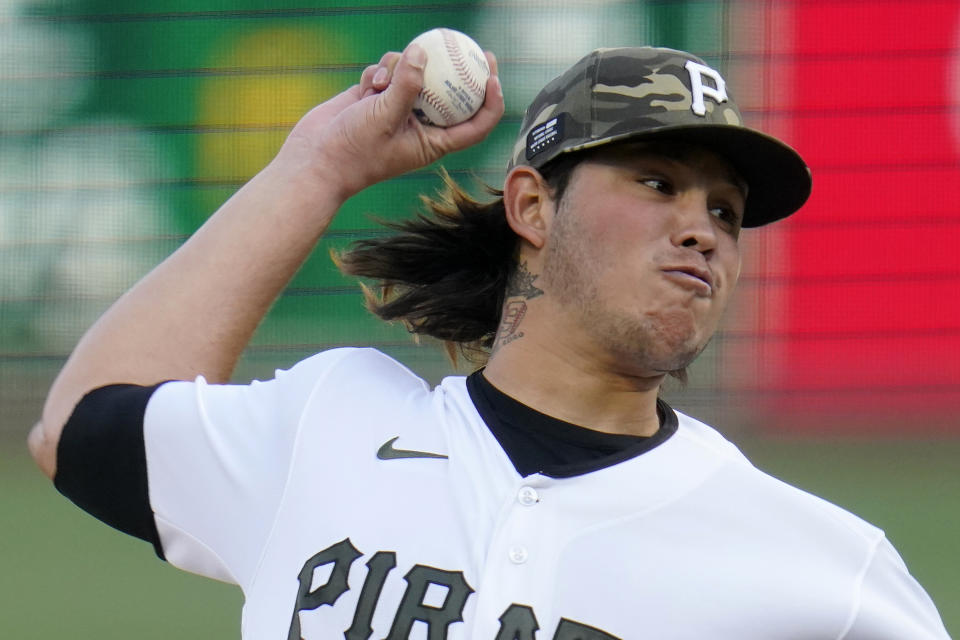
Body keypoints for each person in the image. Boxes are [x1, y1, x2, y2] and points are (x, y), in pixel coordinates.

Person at [27, 42, 950, 639]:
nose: (702, 228)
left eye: (726, 211)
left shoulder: (821, 572)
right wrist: (317, 169)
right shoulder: (328, 424)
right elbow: (79, 425)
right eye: (659, 183)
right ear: (531, 207)